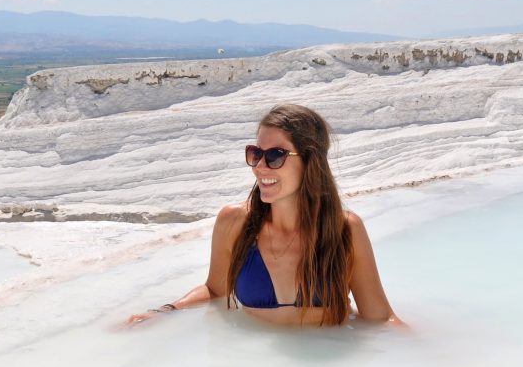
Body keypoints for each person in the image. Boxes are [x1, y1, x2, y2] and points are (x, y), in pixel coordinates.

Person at [127, 103, 402, 327]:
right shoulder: (234, 222)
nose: (260, 166)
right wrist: (165, 311)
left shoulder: (344, 229)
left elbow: (379, 318)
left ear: (311, 162)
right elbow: (216, 290)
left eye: (275, 156)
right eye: (255, 153)